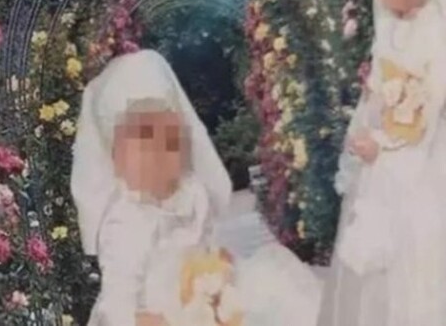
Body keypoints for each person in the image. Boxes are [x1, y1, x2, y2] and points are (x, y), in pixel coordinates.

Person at [71, 50, 321, 326]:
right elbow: (116, 303)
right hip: (153, 316)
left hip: (197, 304)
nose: (157, 155)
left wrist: (218, 269)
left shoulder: (192, 193)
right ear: (117, 160)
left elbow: (206, 247)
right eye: (142, 144)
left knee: (273, 285)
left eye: (170, 141)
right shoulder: (124, 221)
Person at [318, 0, 446, 326]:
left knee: (419, 252)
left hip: (423, 161)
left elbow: (429, 105)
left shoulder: (435, 34)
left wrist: (386, 145)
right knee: (378, 265)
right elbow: (377, 95)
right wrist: (364, 134)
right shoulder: (390, 31)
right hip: (385, 159)